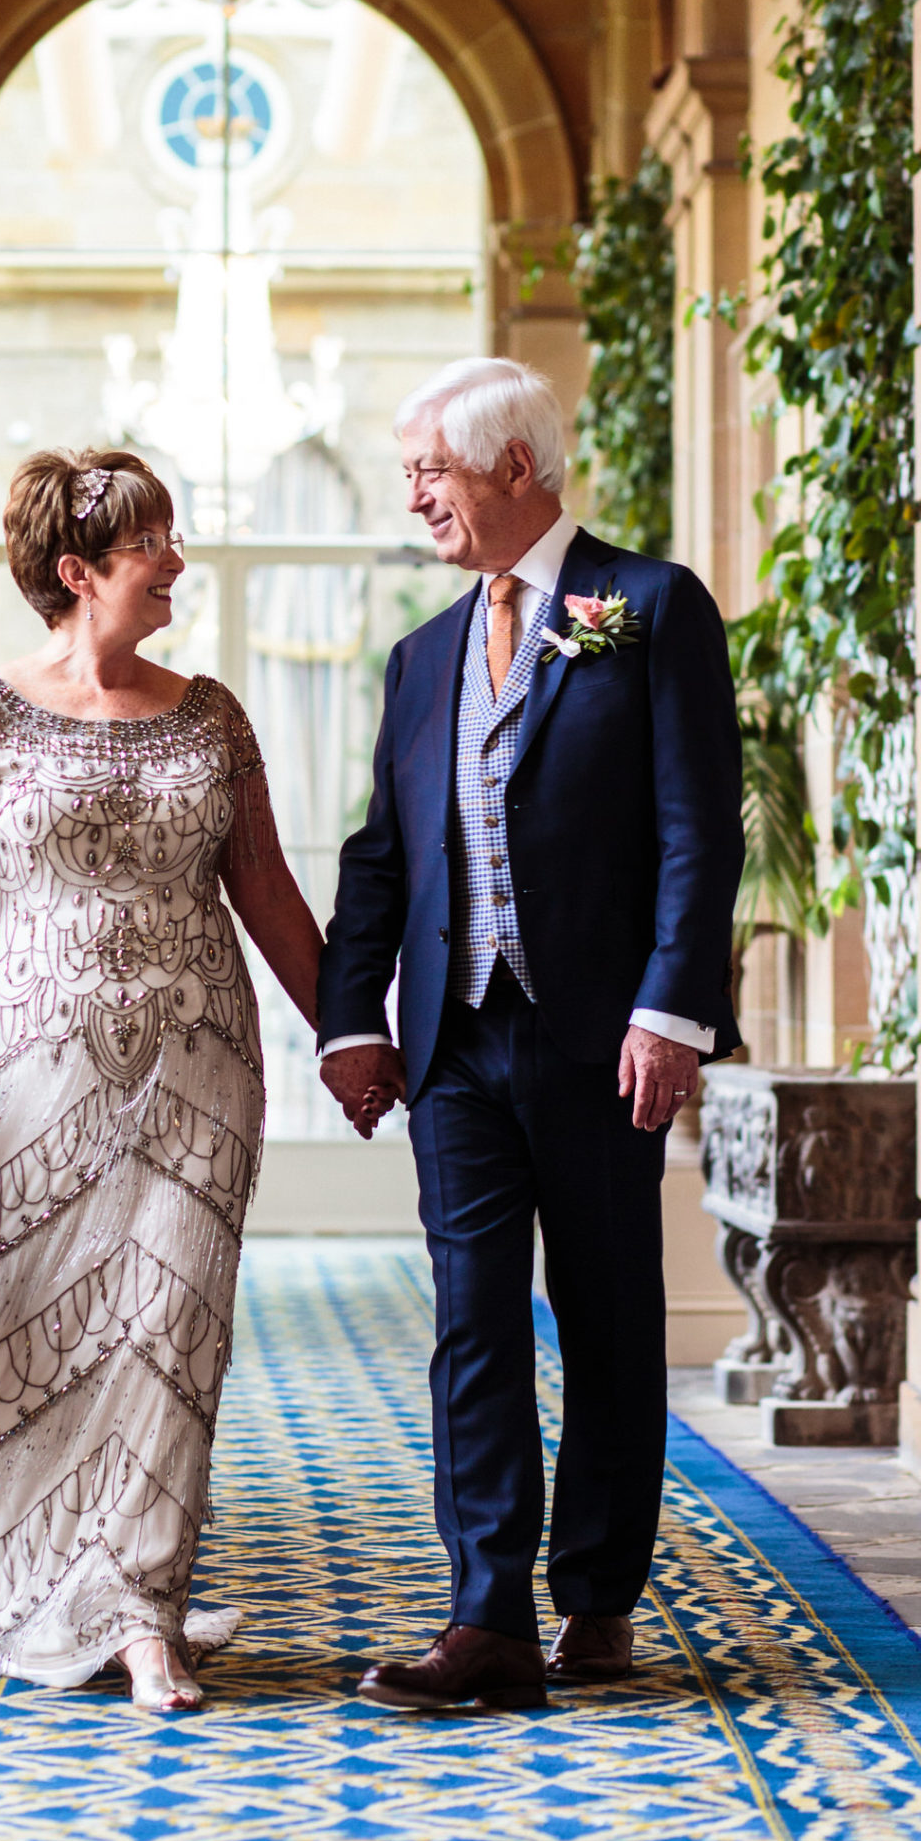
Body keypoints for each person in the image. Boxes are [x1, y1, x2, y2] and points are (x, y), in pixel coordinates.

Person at [0, 448, 322, 1714]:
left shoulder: (214, 712)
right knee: (23, 1327)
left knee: (170, 1334)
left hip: (196, 1069)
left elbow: (269, 890)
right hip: (23, 1075)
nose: (176, 563)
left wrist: (349, 1033)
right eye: (152, 546)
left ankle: (142, 1610)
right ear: (78, 573)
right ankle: (23, 1582)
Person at [318, 358, 743, 1714]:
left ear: (515, 470)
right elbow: (381, 855)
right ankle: (487, 1615)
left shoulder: (650, 606)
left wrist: (668, 1009)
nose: (412, 496)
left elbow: (694, 829)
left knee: (610, 1318)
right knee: (470, 1324)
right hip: (455, 1043)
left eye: (427, 471)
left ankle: (600, 1593)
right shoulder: (420, 655)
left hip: (602, 1038)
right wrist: (347, 1019)